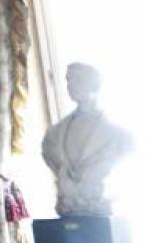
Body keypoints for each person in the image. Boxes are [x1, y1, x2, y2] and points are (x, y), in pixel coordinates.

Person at [41, 63, 133, 217]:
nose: (71, 85)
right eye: (68, 80)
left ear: (95, 84)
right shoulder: (53, 136)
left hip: (99, 208)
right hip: (68, 210)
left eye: (78, 80)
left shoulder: (120, 136)